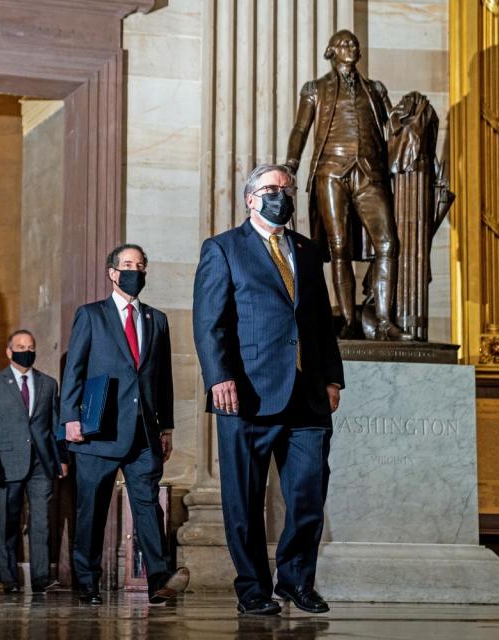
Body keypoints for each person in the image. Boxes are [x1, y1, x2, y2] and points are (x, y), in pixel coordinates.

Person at [192, 164, 344, 616]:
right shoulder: (223, 248)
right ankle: (253, 588)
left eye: (286, 188)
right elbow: (209, 323)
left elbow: (321, 323)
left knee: (307, 494)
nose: (281, 194)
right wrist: (219, 377)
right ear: (250, 199)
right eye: (271, 188)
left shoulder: (307, 250)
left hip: (307, 395)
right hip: (246, 394)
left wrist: (333, 376)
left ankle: (296, 580)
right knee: (244, 498)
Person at [60, 244, 178, 606]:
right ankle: (87, 582)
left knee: (147, 505)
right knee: (91, 509)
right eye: (127, 265)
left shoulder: (156, 319)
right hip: (100, 429)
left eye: (140, 266)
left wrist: (166, 428)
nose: (135, 271)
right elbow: (74, 370)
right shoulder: (91, 315)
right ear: (113, 272)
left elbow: (163, 379)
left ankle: (158, 580)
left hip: (143, 432)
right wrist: (70, 418)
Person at [285, 29, 410, 340]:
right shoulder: (316, 89)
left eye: (354, 43)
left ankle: (384, 321)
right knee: (338, 246)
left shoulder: (375, 89)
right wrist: (292, 163)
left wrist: (412, 117)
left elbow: (392, 130)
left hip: (370, 172)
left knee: (388, 244)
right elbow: (301, 128)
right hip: (331, 171)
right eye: (344, 43)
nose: (351, 47)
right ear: (331, 51)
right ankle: (350, 320)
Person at [0, 330, 66, 594]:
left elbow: (54, 426)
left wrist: (61, 458)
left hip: (41, 463)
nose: (26, 350)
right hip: (6, 462)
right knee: (7, 522)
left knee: (41, 522)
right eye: (20, 346)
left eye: (30, 346)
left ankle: (40, 578)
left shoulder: (48, 384)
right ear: (9, 351)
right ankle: (9, 578)